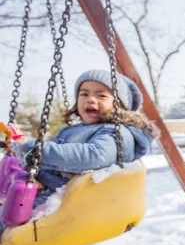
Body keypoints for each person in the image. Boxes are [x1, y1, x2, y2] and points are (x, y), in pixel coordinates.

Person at [7, 69, 157, 210]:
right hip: (44, 189)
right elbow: (52, 147)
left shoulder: (117, 132)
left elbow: (95, 156)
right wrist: (22, 146)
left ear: (121, 105)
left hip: (65, 201)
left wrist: (32, 149)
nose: (90, 99)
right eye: (84, 94)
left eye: (101, 95)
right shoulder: (72, 129)